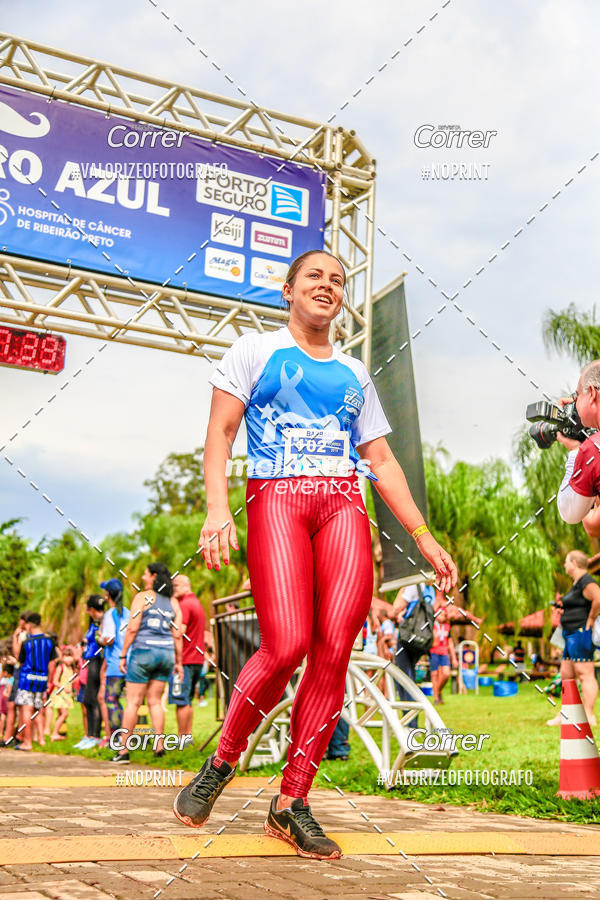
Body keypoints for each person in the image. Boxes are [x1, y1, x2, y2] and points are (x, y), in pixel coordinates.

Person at [173, 249, 457, 859]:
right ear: (288, 290)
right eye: (315, 277)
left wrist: (424, 536)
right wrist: (217, 509)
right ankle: (221, 763)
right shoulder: (253, 351)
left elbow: (380, 461)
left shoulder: (355, 374)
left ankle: (291, 803)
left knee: (333, 652)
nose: (327, 286)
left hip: (342, 507)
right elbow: (221, 433)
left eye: (337, 280)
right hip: (275, 497)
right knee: (288, 643)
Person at [111, 563, 183, 763]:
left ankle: (123, 751)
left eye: (145, 573)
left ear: (153, 576)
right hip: (166, 654)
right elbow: (177, 635)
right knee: (155, 701)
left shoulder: (143, 597)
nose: (143, 576)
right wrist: (179, 663)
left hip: (144, 652)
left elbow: (132, 628)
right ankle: (159, 747)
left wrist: (124, 654)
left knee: (133, 702)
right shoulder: (173, 601)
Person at [546, 550, 600, 726]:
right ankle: (566, 714)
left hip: (580, 633)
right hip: (569, 633)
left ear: (575, 564)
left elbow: (598, 598)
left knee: (585, 674)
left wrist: (591, 619)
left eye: (566, 562)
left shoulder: (586, 581)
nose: (564, 565)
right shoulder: (576, 584)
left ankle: (588, 715)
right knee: (567, 675)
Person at [557, 360, 600, 535]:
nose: (574, 404)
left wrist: (576, 451)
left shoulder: (592, 450)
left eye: (576, 397)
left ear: (591, 393)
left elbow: (570, 512)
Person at [167, 574, 206, 740]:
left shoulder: (184, 605)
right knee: (188, 699)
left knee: (181, 700)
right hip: (197, 659)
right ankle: (187, 737)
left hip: (185, 659)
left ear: (185, 585)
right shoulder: (196, 603)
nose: (172, 589)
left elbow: (178, 632)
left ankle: (182, 737)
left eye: (175, 586)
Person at [14, 612, 57, 750]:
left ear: (29, 625)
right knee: (38, 708)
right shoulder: (49, 641)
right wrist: (49, 680)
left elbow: (20, 661)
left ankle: (27, 742)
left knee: (26, 709)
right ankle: (41, 739)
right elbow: (52, 663)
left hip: (27, 679)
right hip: (42, 679)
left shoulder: (27, 642)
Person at [97, 578, 130, 740]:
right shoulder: (129, 612)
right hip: (130, 664)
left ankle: (118, 738)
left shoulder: (110, 614)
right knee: (132, 703)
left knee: (111, 700)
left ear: (107, 594)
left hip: (115, 666)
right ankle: (128, 738)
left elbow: (109, 639)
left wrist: (99, 639)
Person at [79, 595, 105, 750]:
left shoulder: (102, 621)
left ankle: (95, 735)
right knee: (88, 699)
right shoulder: (94, 622)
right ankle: (89, 735)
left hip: (98, 661)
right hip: (90, 661)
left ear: (92, 609)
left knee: (93, 699)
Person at [429, 605, 457, 704]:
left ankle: (438, 691)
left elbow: (450, 643)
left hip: (444, 653)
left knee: (446, 674)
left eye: (444, 614)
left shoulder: (447, 627)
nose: (442, 616)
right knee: (434, 674)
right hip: (433, 652)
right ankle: (436, 698)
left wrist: (454, 658)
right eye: (440, 613)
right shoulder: (431, 625)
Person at [49, 646, 76, 741]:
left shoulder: (71, 668)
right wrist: (63, 688)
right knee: (64, 714)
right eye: (66, 656)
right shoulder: (61, 668)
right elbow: (55, 681)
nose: (68, 659)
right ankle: (54, 733)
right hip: (60, 694)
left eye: (70, 656)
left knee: (61, 714)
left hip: (66, 694)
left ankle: (58, 732)